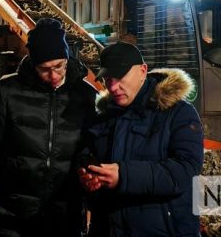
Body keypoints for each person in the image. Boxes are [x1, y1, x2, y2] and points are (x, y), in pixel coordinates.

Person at [0, 18, 97, 237]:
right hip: (11, 219)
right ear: (33, 63)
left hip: (64, 219)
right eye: (44, 69)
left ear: (67, 58)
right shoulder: (6, 91)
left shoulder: (85, 95)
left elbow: (91, 153)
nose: (53, 76)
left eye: (59, 66)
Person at [78, 42, 204, 236]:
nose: (113, 86)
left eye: (120, 77)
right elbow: (87, 153)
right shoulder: (103, 116)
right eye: (108, 79)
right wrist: (89, 176)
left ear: (143, 70)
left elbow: (185, 171)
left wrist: (124, 176)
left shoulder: (177, 113)